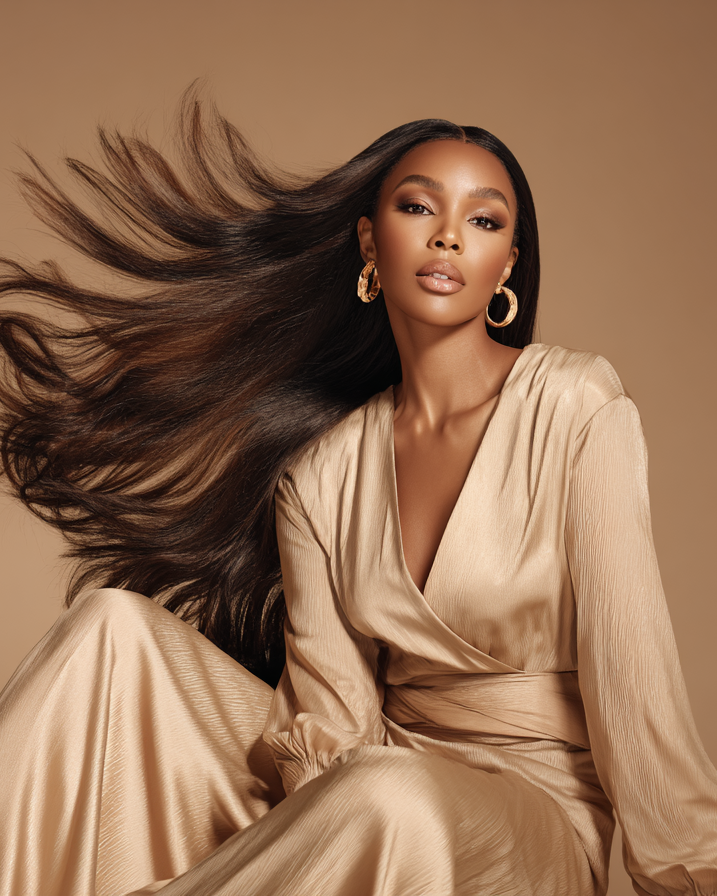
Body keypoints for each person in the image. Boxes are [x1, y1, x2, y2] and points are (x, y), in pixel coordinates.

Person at [0, 99, 715, 896]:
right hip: (374, 784)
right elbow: (334, 726)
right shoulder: (321, 477)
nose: (447, 236)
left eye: (482, 221)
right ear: (370, 241)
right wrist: (313, 823)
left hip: (530, 822)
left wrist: (686, 869)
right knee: (110, 631)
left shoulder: (577, 407)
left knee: (387, 796)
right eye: (417, 207)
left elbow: (633, 676)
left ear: (507, 264)